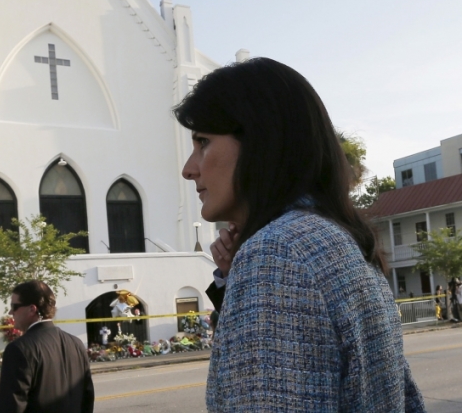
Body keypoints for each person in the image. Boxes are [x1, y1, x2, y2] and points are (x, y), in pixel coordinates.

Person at [175, 57, 425, 412]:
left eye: (203, 142)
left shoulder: (277, 253)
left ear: (261, 143)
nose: (189, 168)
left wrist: (258, 271)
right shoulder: (335, 239)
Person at [0, 280, 94, 413]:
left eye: (14, 306)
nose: (10, 312)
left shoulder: (19, 349)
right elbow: (87, 398)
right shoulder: (76, 343)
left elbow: (11, 406)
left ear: (32, 309)